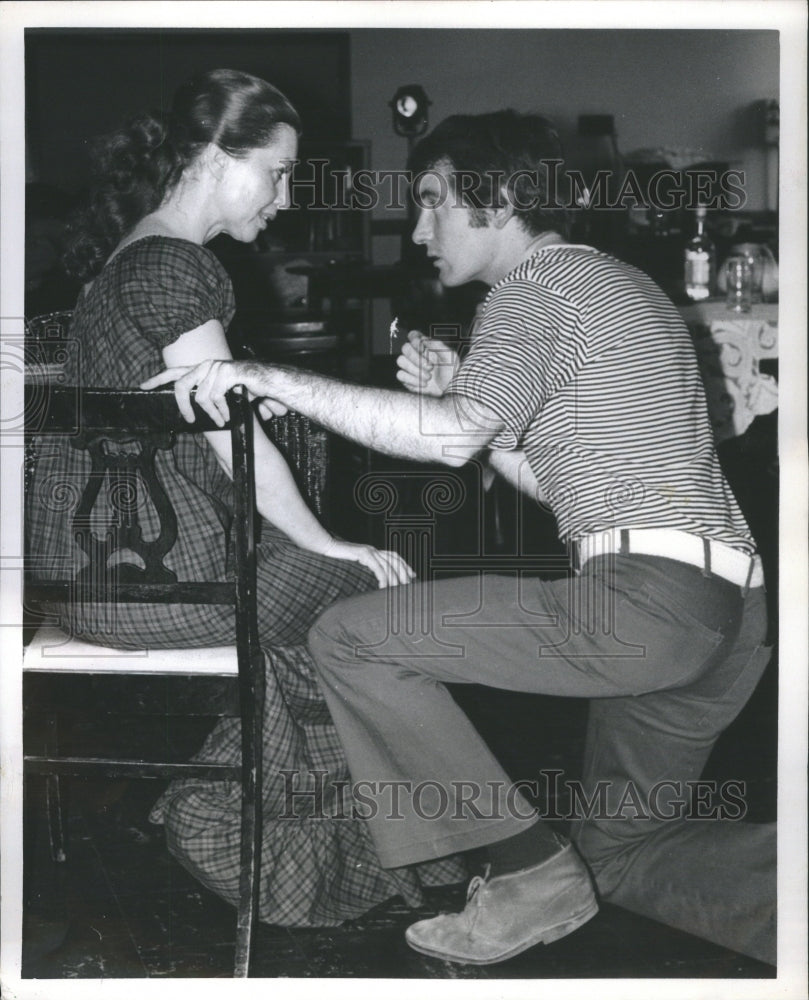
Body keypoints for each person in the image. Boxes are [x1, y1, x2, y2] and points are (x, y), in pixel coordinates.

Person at [144, 110, 776, 965]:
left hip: (646, 603)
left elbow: (443, 439)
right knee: (618, 859)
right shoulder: (613, 286)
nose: (417, 228)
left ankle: (524, 869)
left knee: (354, 638)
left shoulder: (532, 289)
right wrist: (484, 423)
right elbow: (564, 480)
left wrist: (258, 376)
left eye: (434, 201)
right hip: (724, 612)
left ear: (502, 199)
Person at [27, 68, 468, 928]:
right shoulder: (175, 263)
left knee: (329, 616)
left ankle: (293, 827)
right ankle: (264, 826)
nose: (288, 194)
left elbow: (198, 417)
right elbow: (242, 449)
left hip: (98, 577)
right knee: (364, 593)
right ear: (207, 156)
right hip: (154, 584)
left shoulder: (132, 258)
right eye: (278, 171)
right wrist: (325, 543)